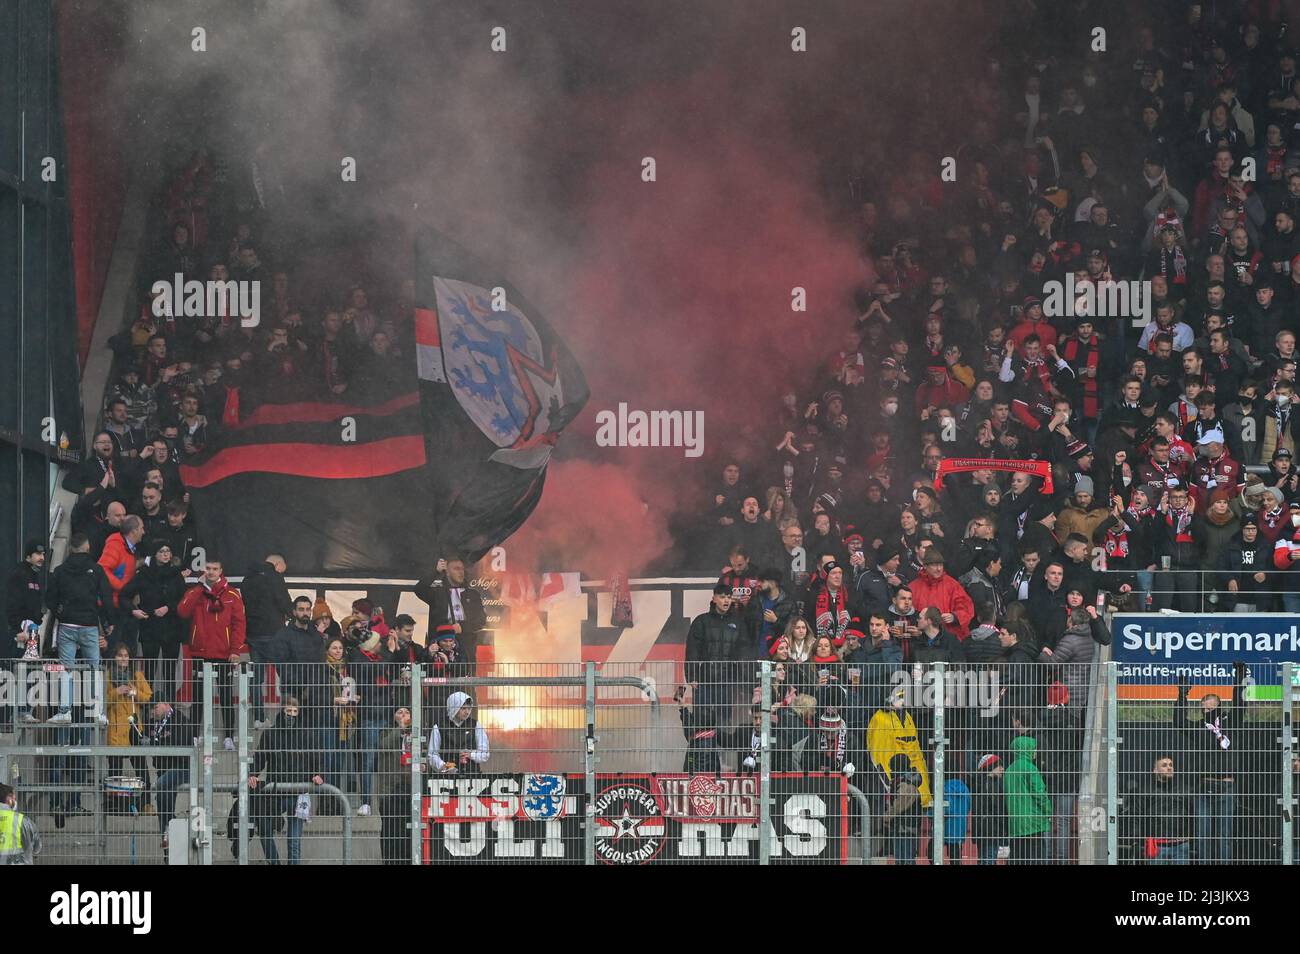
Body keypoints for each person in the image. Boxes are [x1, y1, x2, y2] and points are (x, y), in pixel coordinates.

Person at [44, 533, 113, 725]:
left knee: (66, 669)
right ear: (87, 547)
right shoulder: (96, 570)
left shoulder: (60, 570)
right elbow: (106, 597)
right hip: (89, 625)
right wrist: (108, 622)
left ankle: (65, 711)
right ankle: (98, 712)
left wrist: (60, 613)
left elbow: (50, 598)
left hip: (67, 625)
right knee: (95, 668)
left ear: (71, 548)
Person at [177, 557, 246, 747]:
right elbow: (182, 611)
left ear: (221, 570)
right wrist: (199, 588)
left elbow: (239, 624)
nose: (211, 572)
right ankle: (194, 736)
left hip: (224, 654)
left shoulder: (232, 594)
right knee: (198, 695)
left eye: (215, 568)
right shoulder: (196, 592)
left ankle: (229, 737)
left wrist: (235, 650)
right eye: (208, 568)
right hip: (200, 652)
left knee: (225, 695)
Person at [248, 695, 323, 865]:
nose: (291, 714)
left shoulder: (307, 735)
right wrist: (252, 773)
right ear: (282, 712)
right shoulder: (270, 734)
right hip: (276, 792)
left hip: (298, 793)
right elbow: (260, 757)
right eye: (288, 711)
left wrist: (317, 774)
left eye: (295, 711)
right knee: (265, 830)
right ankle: (274, 862)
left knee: (294, 841)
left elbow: (317, 758)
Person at [237, 553, 291, 729]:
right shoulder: (274, 577)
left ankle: (259, 718)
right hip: (274, 632)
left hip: (253, 633)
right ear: (277, 564)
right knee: (285, 675)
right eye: (283, 569)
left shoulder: (247, 578)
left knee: (257, 678)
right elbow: (284, 602)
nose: (283, 572)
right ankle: (288, 715)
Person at [414, 556, 487, 675]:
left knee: (466, 680)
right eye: (456, 569)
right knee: (439, 680)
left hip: (465, 644)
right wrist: (436, 572)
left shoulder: (473, 595)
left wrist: (463, 627)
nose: (461, 572)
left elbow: (481, 621)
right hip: (441, 643)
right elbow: (419, 589)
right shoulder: (438, 593)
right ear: (447, 571)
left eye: (462, 569)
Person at [1004, 734, 1052, 864]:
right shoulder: (1031, 768)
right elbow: (1040, 793)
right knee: (1036, 858)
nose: (1035, 751)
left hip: (1015, 825)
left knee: (1018, 858)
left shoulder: (1008, 770)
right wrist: (1048, 811)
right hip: (1033, 823)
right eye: (1033, 748)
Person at [376, 705, 415, 865]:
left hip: (411, 787)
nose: (404, 715)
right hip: (390, 789)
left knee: (408, 828)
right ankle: (389, 860)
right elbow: (382, 746)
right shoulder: (386, 731)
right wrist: (399, 729)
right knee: (390, 829)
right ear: (394, 716)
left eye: (407, 712)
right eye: (400, 712)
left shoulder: (416, 733)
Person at [428, 691, 489, 774]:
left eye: (469, 708)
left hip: (471, 775)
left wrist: (470, 755)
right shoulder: (439, 727)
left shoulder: (475, 725)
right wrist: (444, 766)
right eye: (463, 708)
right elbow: (432, 754)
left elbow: (485, 753)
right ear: (454, 708)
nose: (467, 712)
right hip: (445, 779)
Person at [970, 753, 1007, 865]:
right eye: (999, 765)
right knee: (989, 858)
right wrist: (1004, 824)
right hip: (990, 829)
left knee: (985, 858)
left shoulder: (982, 783)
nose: (1002, 769)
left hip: (984, 828)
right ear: (991, 767)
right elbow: (997, 807)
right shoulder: (990, 785)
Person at [0, 782, 40, 865]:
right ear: (8, 799)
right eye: (14, 798)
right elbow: (37, 848)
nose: (15, 801)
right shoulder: (22, 820)